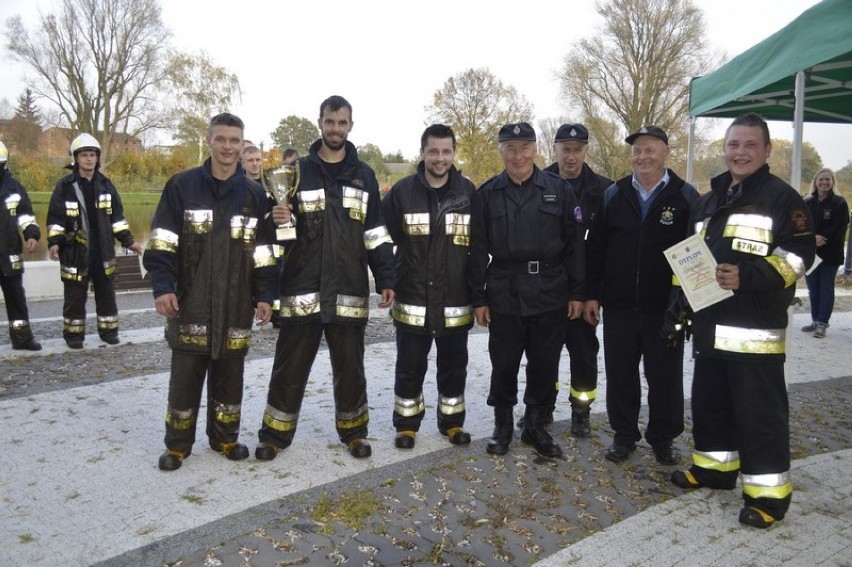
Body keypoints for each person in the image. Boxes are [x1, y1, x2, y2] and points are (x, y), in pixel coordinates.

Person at [671, 113, 815, 529]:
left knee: (760, 416)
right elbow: (691, 253)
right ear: (725, 149)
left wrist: (748, 277)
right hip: (710, 328)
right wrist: (679, 298)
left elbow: (798, 258)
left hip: (755, 335)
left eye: (750, 145)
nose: (741, 152)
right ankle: (715, 470)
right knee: (710, 405)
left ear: (768, 150)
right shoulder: (711, 198)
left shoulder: (784, 200)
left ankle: (769, 498)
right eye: (734, 144)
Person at [255, 95, 395, 461]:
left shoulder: (363, 175)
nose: (336, 129)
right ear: (319, 123)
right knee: (289, 367)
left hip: (348, 289)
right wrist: (280, 219)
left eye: (342, 123)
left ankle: (353, 433)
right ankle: (274, 435)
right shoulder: (297, 172)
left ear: (350, 125)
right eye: (330, 122)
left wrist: (385, 278)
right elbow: (278, 236)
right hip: (301, 287)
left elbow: (376, 232)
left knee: (350, 368)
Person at [143, 113, 276, 471]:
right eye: (222, 139)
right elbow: (162, 242)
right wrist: (162, 287)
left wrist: (265, 296)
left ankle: (224, 438)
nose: (228, 147)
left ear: (243, 144)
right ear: (209, 140)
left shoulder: (255, 194)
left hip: (236, 305)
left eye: (235, 141)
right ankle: (177, 445)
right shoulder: (182, 186)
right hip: (191, 302)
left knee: (231, 377)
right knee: (185, 378)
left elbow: (264, 251)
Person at [468, 122, 585, 458]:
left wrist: (577, 293)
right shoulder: (487, 193)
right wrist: (479, 297)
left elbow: (575, 245)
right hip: (505, 290)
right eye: (510, 148)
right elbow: (477, 250)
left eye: (524, 147)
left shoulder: (559, 190)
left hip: (550, 290)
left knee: (545, 364)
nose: (518, 155)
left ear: (536, 149)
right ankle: (502, 426)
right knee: (503, 363)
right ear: (501, 152)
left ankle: (536, 426)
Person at [584, 125, 698, 466]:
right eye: (637, 150)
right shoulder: (614, 194)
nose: (643, 156)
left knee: (664, 377)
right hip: (619, 305)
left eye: (650, 149)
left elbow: (697, 254)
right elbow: (596, 250)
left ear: (665, 152)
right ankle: (624, 435)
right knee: (620, 374)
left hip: (665, 308)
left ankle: (663, 438)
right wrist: (592, 295)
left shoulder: (685, 196)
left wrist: (686, 304)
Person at [381, 124, 476, 449]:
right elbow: (381, 239)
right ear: (422, 152)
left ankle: (452, 424)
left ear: (453, 153)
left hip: (454, 300)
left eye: (446, 151)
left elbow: (478, 250)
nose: (440, 158)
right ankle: (406, 426)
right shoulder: (402, 192)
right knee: (409, 367)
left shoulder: (467, 194)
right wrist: (387, 279)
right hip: (413, 299)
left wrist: (479, 295)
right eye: (433, 151)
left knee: (454, 369)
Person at [542, 123, 613, 437]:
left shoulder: (605, 191)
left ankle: (581, 411)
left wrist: (593, 294)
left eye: (577, 150)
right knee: (543, 352)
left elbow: (605, 250)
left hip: (585, 291)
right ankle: (541, 408)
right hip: (546, 289)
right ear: (555, 149)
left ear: (587, 150)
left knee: (584, 354)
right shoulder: (536, 183)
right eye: (565, 149)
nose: (571, 157)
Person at [46, 133, 143, 349]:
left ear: (97, 158)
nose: (89, 159)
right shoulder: (65, 186)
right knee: (74, 296)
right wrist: (54, 243)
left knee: (106, 294)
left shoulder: (106, 185)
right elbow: (55, 219)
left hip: (103, 250)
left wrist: (129, 242)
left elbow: (117, 218)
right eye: (84, 155)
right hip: (75, 251)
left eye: (92, 155)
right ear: (76, 158)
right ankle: (73, 336)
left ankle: (108, 332)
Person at [0, 141, 43, 351]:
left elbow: (26, 216)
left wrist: (31, 235)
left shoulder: (14, 188)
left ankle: (22, 339)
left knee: (16, 297)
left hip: (9, 253)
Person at [801, 167, 849, 338]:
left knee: (826, 288)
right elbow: (800, 224)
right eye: (821, 179)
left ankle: (822, 323)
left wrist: (822, 237)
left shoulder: (839, 203)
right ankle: (815, 320)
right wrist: (812, 238)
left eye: (827, 179)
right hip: (810, 253)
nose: (824, 183)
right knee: (813, 289)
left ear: (832, 182)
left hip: (830, 254)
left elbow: (840, 226)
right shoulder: (806, 202)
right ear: (815, 182)